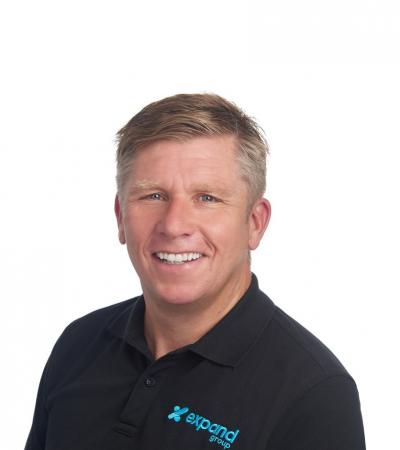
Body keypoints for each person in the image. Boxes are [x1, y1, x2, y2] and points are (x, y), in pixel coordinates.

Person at [25, 93, 366, 450]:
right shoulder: (79, 344)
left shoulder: (314, 394)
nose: (174, 225)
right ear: (121, 216)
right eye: (153, 196)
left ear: (254, 222)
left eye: (207, 198)